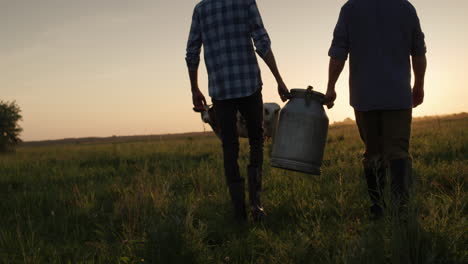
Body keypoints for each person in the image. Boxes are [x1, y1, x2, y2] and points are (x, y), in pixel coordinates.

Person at [186, 0, 289, 221]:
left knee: (229, 147)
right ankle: (256, 205)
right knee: (256, 141)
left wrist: (194, 88)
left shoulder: (201, 10)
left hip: (221, 91)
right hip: (249, 85)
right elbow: (262, 42)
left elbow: (192, 52)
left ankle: (239, 211)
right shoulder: (245, 2)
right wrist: (279, 80)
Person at [325, 0, 427, 218]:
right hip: (397, 95)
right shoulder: (405, 8)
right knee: (398, 151)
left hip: (365, 96)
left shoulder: (351, 9)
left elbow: (338, 53)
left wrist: (331, 87)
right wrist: (419, 85)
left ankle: (378, 209)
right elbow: (418, 52)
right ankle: (401, 211)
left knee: (373, 153)